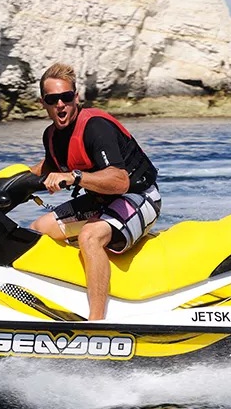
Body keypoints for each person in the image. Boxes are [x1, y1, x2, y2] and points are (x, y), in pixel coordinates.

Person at [29, 63, 161, 321]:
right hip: (101, 201)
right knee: (37, 230)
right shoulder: (52, 135)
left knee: (90, 236)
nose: (60, 105)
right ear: (43, 103)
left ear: (75, 97)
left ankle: (96, 322)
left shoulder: (96, 127)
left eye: (66, 97)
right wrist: (10, 181)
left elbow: (120, 181)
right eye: (52, 99)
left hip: (140, 197)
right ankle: (58, 303)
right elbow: (48, 167)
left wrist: (75, 176)